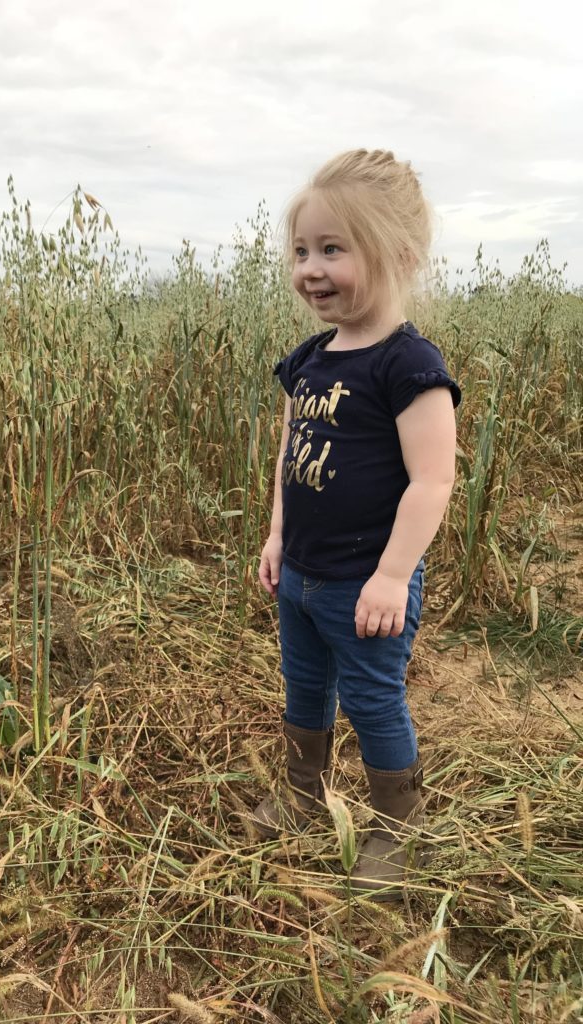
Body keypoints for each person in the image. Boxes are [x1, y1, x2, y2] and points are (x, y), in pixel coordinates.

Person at [253, 148, 462, 902]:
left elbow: (433, 480)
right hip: (302, 572)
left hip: (368, 581)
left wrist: (393, 575)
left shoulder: (408, 366)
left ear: (398, 255)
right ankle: (305, 792)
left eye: (333, 249)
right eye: (302, 250)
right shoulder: (308, 361)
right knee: (303, 685)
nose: (311, 268)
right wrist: (278, 536)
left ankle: (397, 828)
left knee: (373, 699)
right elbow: (290, 456)